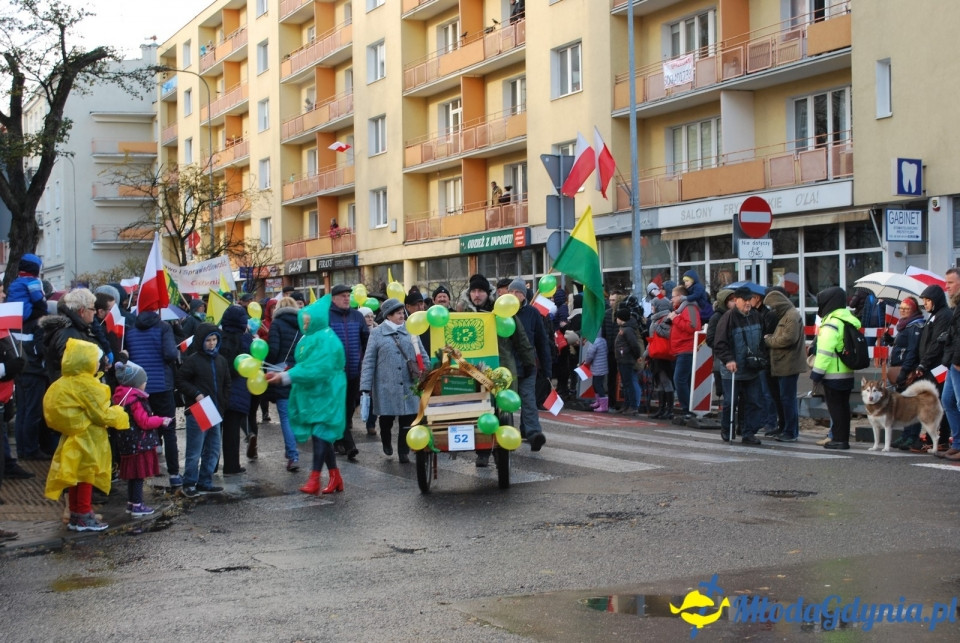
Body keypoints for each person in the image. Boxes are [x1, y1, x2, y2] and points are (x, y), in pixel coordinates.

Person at [43, 338, 130, 531]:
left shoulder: (64, 382)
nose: (99, 363)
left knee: (75, 475)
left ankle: (77, 513)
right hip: (88, 438)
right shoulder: (87, 385)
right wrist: (119, 413)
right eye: (96, 360)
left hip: (72, 437)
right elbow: (101, 414)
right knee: (86, 476)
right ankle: (83, 514)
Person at [266, 295, 347, 495]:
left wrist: (285, 376)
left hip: (328, 393)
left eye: (309, 319)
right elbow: (304, 365)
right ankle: (335, 476)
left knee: (320, 434)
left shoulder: (326, 338)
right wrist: (282, 373)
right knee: (322, 436)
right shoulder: (311, 337)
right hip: (315, 393)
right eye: (305, 319)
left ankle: (314, 479)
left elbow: (318, 368)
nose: (305, 322)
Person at [359, 298, 429, 463]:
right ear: (388, 315)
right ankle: (386, 440)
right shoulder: (376, 334)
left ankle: (403, 451)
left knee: (408, 418)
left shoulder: (411, 330)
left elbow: (423, 355)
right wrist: (365, 387)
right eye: (398, 313)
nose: (402, 315)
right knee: (386, 419)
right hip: (385, 385)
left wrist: (427, 373)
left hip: (409, 384)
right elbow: (368, 361)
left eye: (402, 312)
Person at [125, 293, 182, 489]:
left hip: (139, 388)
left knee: (144, 428)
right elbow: (170, 354)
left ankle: (149, 471)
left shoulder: (130, 330)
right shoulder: (163, 327)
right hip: (162, 385)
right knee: (169, 429)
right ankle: (174, 474)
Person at [176, 323, 230, 496]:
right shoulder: (193, 360)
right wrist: (196, 394)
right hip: (198, 410)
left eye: (215, 340)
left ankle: (205, 481)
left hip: (215, 410)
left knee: (213, 449)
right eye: (208, 340)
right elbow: (181, 381)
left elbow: (226, 384)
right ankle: (189, 482)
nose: (212, 344)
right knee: (195, 450)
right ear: (201, 341)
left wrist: (223, 403)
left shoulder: (221, 360)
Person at [113, 360, 172, 517]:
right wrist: (161, 420)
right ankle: (137, 505)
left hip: (127, 442)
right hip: (138, 442)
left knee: (133, 475)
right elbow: (144, 421)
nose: (145, 383)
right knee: (138, 475)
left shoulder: (121, 395)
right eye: (143, 381)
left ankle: (132, 503)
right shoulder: (135, 399)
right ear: (136, 383)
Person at [809, 286, 860, 450]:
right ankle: (842, 438)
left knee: (836, 409)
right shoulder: (847, 320)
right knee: (844, 408)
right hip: (846, 372)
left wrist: (816, 375)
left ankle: (839, 439)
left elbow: (824, 353)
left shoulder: (831, 324)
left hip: (833, 375)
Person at [714, 286, 766, 445]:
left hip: (751, 368)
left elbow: (761, 339)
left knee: (754, 401)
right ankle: (727, 429)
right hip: (732, 369)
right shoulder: (728, 318)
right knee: (731, 402)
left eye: (750, 300)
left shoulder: (756, 316)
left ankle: (748, 432)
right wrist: (728, 359)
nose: (748, 303)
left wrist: (760, 356)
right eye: (745, 300)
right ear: (736, 300)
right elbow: (720, 343)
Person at [507, 279, 549, 450]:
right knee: (506, 404)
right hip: (507, 366)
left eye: (519, 292)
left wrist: (547, 368)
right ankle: (507, 434)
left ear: (524, 295)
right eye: (512, 292)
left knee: (529, 400)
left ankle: (533, 434)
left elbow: (541, 341)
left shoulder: (532, 313)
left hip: (527, 365)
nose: (515, 295)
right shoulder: (500, 311)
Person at [329, 284, 369, 462]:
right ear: (333, 299)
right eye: (343, 295)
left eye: (348, 295)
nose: (347, 298)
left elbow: (366, 341)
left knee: (349, 407)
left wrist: (365, 363)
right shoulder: (326, 317)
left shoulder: (357, 316)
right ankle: (349, 444)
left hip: (354, 371)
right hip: (333, 373)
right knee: (339, 408)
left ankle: (338, 439)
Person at [763, 289, 807, 442]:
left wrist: (769, 340)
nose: (772, 310)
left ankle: (790, 431)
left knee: (788, 399)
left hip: (789, 364)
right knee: (782, 398)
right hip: (782, 363)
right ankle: (783, 427)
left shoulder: (791, 316)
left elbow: (788, 338)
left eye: (773, 307)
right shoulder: (786, 315)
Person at [266, 296, 303, 469]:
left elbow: (273, 350)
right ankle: (291, 451)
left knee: (286, 416)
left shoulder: (277, 324)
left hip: (281, 373)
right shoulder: (303, 325)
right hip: (298, 373)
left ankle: (293, 455)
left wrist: (266, 363)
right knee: (294, 414)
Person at [39, 288, 106, 381]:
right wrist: (100, 362)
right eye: (92, 309)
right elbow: (73, 368)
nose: (95, 312)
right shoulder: (68, 333)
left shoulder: (78, 328)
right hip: (72, 391)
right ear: (82, 311)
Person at [218, 305, 253, 475]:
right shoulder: (246, 341)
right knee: (232, 432)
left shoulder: (217, 339)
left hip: (218, 390)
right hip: (238, 391)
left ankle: (211, 465)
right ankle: (231, 466)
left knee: (214, 431)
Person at [667, 285, 701, 419]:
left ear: (681, 296)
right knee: (683, 380)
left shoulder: (689, 308)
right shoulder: (681, 309)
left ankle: (688, 409)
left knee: (679, 380)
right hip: (681, 349)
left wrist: (675, 319)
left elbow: (693, 327)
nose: (671, 300)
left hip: (686, 349)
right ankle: (688, 408)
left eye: (673, 296)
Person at [937, 269, 960, 460]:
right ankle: (957, 443)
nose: (947, 287)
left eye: (950, 283)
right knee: (948, 401)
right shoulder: (955, 306)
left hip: (958, 362)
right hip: (953, 361)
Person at [647, 297, 675, 419]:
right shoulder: (655, 319)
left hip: (663, 355)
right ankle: (662, 409)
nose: (652, 308)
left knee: (665, 381)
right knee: (659, 382)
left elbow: (669, 334)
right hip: (655, 354)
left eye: (653, 305)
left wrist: (657, 328)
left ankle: (669, 410)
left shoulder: (664, 319)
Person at [613, 308, 644, 415]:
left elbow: (634, 344)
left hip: (626, 359)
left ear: (621, 319)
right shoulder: (624, 328)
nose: (616, 319)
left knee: (629, 383)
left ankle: (633, 406)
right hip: (622, 359)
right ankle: (626, 405)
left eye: (617, 317)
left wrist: (637, 356)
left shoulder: (628, 330)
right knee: (625, 384)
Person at [580, 330, 609, 412]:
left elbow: (590, 354)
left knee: (597, 385)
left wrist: (586, 362)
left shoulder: (594, 342)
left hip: (597, 367)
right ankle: (599, 402)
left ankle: (603, 406)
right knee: (597, 384)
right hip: (602, 366)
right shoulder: (603, 340)